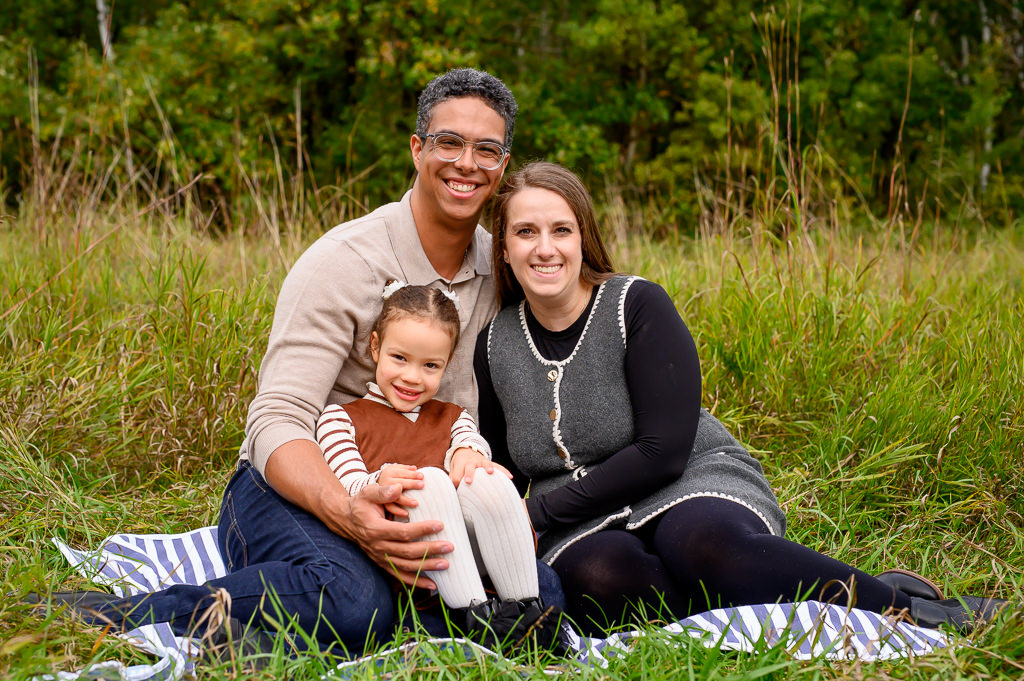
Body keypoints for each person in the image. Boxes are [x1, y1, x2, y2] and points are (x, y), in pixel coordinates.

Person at [32, 69, 564, 653]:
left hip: (426, 494)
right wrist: (348, 511)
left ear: (502, 166)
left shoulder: (505, 266)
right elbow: (276, 419)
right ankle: (137, 611)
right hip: (301, 486)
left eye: (486, 149)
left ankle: (274, 635)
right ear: (418, 149)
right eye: (448, 142)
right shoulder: (344, 261)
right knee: (354, 602)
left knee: (541, 597)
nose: (466, 163)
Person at [474, 161, 1007, 636]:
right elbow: (504, 468)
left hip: (685, 479)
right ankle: (765, 599)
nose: (545, 248)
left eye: (561, 229)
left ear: (583, 238)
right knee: (605, 578)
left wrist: (535, 513)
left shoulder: (634, 304)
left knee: (705, 547)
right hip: (579, 522)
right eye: (525, 232)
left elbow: (663, 451)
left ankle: (910, 609)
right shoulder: (494, 344)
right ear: (503, 248)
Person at [315, 282, 561, 648]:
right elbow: (348, 485)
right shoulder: (340, 419)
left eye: (430, 365)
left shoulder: (453, 417)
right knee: (427, 480)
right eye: (400, 358)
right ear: (375, 347)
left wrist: (468, 453)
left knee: (486, 477)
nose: (413, 377)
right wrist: (378, 481)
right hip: (402, 561)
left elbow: (471, 442)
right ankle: (475, 616)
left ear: (447, 364)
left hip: (472, 555)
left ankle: (525, 612)